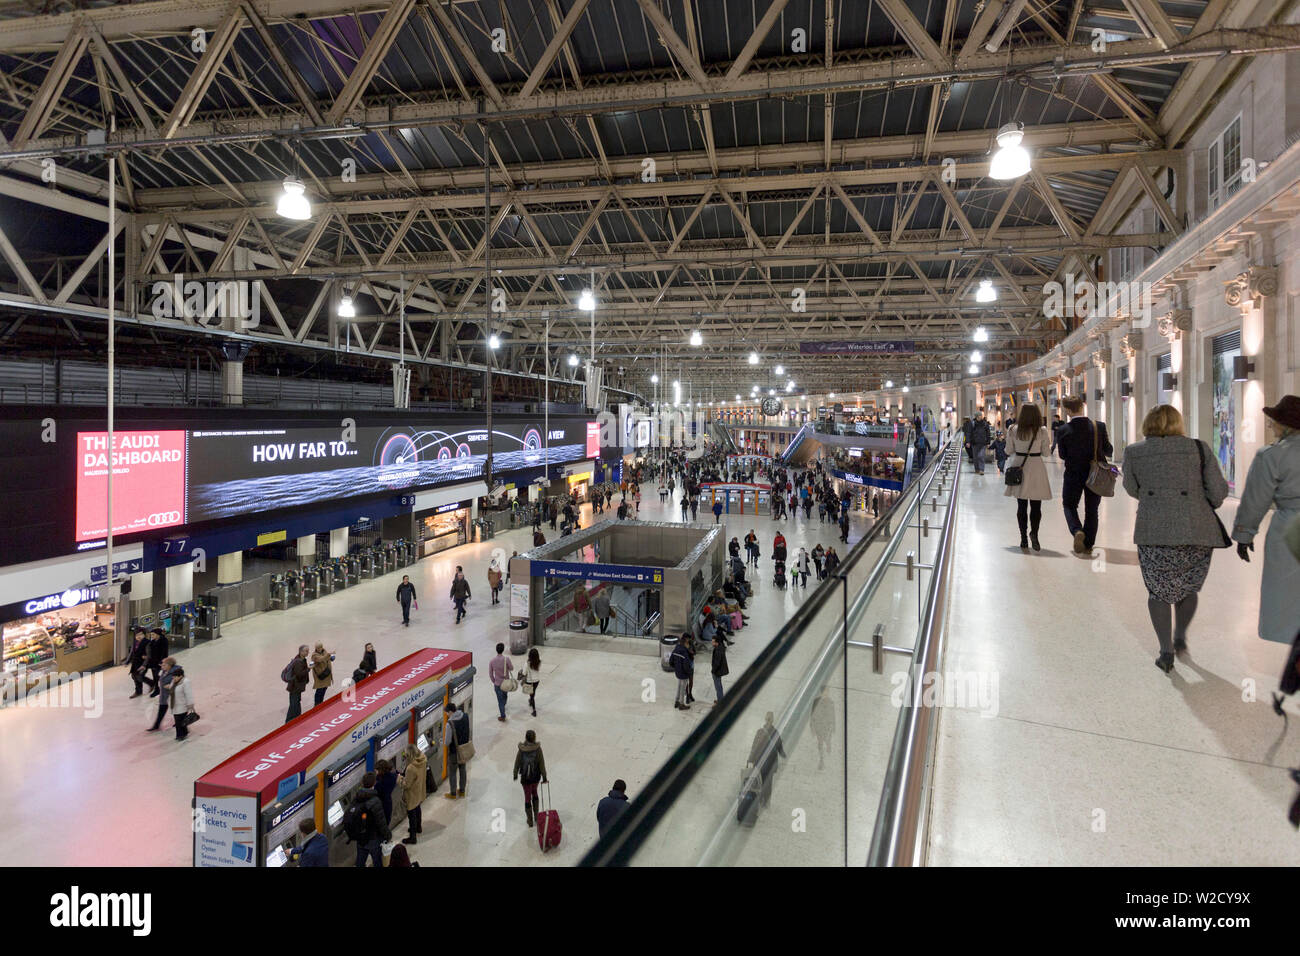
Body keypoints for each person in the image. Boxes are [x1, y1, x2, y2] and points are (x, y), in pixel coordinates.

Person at [1122, 404, 1230, 673]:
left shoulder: (1134, 452)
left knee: (1157, 590)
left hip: (1154, 530)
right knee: (1188, 585)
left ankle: (1165, 651)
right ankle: (1180, 634)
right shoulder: (1199, 448)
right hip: (1197, 530)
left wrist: (1156, 501)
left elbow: (1131, 487)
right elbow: (1218, 490)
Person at [1232, 394, 1300, 647]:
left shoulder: (1271, 455)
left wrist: (1243, 534)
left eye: (1274, 421)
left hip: (1290, 528)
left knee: (1286, 592)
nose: (1271, 425)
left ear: (1286, 424)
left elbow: (1256, 499)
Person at [1055, 395, 1112, 555]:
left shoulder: (1063, 430)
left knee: (1069, 505)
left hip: (1073, 474)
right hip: (1096, 474)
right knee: (1092, 509)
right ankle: (1088, 544)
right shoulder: (1098, 426)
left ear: (1067, 410)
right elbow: (1109, 450)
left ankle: (1077, 530)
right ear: (1082, 406)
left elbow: (1062, 455)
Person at [1004, 403, 1052, 552]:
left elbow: (1008, 450)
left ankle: (1023, 538)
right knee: (1036, 506)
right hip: (1036, 467)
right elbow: (1046, 453)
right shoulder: (1042, 431)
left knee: (1021, 505)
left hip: (1020, 465)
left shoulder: (1013, 429)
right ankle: (1035, 535)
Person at [350, 772, 390, 866]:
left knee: (360, 862)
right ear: (373, 784)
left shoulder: (356, 798)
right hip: (374, 839)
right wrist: (388, 835)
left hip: (361, 838)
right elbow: (381, 822)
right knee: (377, 862)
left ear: (362, 784)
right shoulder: (375, 801)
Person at [747, 712, 786, 809]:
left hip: (760, 763)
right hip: (770, 764)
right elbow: (780, 747)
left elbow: (754, 748)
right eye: (769, 720)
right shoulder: (775, 732)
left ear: (766, 719)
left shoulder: (760, 732)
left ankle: (761, 800)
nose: (768, 721)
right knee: (768, 783)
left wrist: (749, 761)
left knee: (760, 781)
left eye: (768, 720)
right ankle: (766, 801)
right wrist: (784, 755)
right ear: (772, 721)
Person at [512, 729, 549, 827]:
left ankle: (530, 821)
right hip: (535, 777)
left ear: (526, 738)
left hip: (525, 779)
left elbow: (517, 762)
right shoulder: (538, 749)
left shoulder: (522, 749)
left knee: (527, 798)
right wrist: (544, 776)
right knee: (535, 793)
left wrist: (515, 773)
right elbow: (542, 763)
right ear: (534, 738)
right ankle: (537, 816)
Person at [399, 743, 427, 844]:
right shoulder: (423, 759)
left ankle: (412, 837)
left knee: (411, 814)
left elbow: (406, 785)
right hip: (419, 789)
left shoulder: (411, 768)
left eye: (405, 755)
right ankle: (418, 827)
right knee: (417, 808)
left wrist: (399, 779)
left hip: (412, 793)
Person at [443, 702, 470, 799]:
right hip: (464, 749)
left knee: (452, 771)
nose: (446, 715)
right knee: (462, 769)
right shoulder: (466, 716)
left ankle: (453, 793)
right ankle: (462, 791)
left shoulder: (450, 723)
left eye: (446, 712)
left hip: (454, 751)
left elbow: (447, 742)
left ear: (450, 712)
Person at [147, 656, 178, 732]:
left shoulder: (176, 672)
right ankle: (156, 725)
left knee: (176, 710)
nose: (161, 666)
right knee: (161, 711)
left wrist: (170, 686)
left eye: (164, 665)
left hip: (172, 696)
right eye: (162, 664)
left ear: (169, 665)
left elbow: (179, 684)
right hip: (164, 695)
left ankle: (179, 722)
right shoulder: (164, 671)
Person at [810, 688, 834, 771]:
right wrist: (812, 727)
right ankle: (821, 760)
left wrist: (833, 727)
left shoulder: (831, 702)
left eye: (827, 692)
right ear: (821, 692)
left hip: (827, 727)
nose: (826, 693)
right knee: (820, 743)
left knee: (827, 741)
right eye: (825, 692)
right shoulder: (816, 701)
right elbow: (812, 715)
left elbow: (833, 715)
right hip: (819, 726)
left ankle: (828, 745)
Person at [170, 666, 195, 740]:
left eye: (175, 677)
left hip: (182, 705)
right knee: (180, 721)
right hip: (175, 705)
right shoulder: (174, 681)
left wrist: (190, 705)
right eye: (173, 677)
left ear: (181, 676)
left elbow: (189, 694)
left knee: (178, 722)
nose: (173, 679)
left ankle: (180, 735)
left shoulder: (186, 682)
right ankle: (184, 732)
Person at [669, 633, 693, 710]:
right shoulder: (684, 652)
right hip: (684, 674)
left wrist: (676, 668)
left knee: (679, 686)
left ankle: (677, 701)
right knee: (682, 688)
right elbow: (686, 665)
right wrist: (689, 673)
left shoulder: (676, 649)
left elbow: (671, 661)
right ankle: (681, 704)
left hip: (678, 672)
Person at [145, 627, 169, 697]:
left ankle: (164, 687)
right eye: (151, 635)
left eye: (153, 634)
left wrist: (161, 661)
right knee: (155, 676)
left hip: (161, 662)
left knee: (157, 675)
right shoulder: (152, 642)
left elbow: (165, 652)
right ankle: (157, 689)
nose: (151, 636)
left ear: (158, 634)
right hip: (153, 662)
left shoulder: (164, 641)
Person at [374, 758, 398, 824]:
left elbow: (375, 791)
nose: (375, 772)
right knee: (387, 821)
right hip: (388, 803)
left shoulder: (380, 784)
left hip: (381, 805)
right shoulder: (393, 776)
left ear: (381, 770)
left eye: (376, 770)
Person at [127, 629, 149, 698]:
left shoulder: (147, 642)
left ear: (144, 635)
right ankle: (138, 691)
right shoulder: (135, 642)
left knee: (139, 676)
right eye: (137, 635)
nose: (138, 636)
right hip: (135, 663)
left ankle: (151, 683)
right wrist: (127, 661)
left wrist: (144, 665)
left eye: (140, 634)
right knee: (134, 676)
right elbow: (131, 653)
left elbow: (149, 655)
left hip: (143, 663)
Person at [521, 647, 542, 716]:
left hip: (530, 681)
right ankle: (530, 700)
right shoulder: (539, 662)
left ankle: (534, 710)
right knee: (533, 692)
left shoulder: (527, 663)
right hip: (537, 681)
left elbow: (524, 673)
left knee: (532, 695)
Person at [710, 633, 729, 703]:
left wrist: (713, 671)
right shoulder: (720, 647)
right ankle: (720, 699)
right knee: (719, 685)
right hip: (720, 669)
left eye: (713, 642)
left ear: (716, 642)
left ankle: (720, 701)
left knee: (718, 687)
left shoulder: (718, 651)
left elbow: (717, 663)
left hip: (717, 671)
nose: (712, 643)